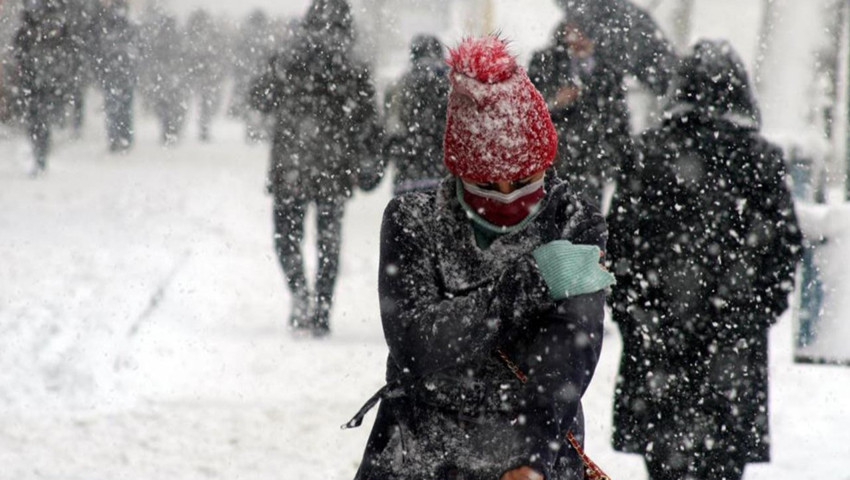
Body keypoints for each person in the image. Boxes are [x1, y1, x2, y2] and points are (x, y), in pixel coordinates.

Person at [348, 36, 615, 480]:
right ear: (459, 172)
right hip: (420, 452)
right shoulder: (412, 220)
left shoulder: (575, 221)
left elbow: (569, 349)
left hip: (533, 451)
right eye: (488, 185)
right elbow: (418, 345)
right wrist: (531, 282)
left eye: (526, 180)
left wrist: (531, 456)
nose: (508, 197)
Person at [606, 40, 802, 480]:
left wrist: (636, 315)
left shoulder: (646, 154)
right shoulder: (759, 158)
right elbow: (785, 248)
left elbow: (616, 248)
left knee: (664, 464)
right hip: (731, 348)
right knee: (723, 465)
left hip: (657, 343)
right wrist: (751, 314)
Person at [250, 0, 380, 336]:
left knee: (286, 236)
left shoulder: (287, 56)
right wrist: (369, 161)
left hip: (290, 162)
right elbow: (368, 120)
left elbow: (259, 97)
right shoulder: (353, 65)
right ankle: (322, 308)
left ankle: (299, 294)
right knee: (328, 240)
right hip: (334, 166)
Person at [529, 0, 676, 204]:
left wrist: (622, 167)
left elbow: (618, 126)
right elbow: (525, 115)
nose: (577, 38)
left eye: (585, 31)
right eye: (573, 28)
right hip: (548, 173)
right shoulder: (544, 62)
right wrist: (553, 102)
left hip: (589, 176)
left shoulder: (608, 73)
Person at [381, 34, 450, 196]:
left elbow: (390, 129)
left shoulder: (398, 86)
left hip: (407, 177)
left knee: (407, 219)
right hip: (445, 179)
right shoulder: (454, 85)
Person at [13, 0, 75, 174]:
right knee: (39, 117)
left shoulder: (38, 23)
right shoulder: (50, 21)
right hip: (41, 78)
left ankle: (40, 151)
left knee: (37, 118)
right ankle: (40, 151)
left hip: (39, 78)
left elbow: (19, 48)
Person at [92, 0, 138, 152]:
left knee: (116, 107)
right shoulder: (127, 28)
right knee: (122, 107)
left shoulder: (107, 26)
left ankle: (117, 137)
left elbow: (98, 51)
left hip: (115, 74)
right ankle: (122, 137)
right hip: (120, 74)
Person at [185, 9, 225, 142]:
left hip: (201, 75)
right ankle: (203, 127)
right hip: (206, 76)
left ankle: (202, 127)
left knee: (203, 103)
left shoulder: (193, 36)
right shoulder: (209, 36)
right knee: (206, 104)